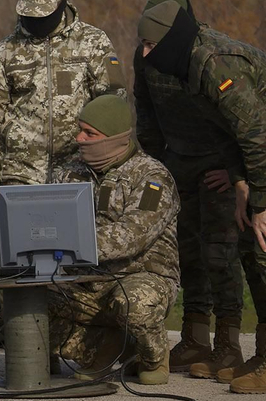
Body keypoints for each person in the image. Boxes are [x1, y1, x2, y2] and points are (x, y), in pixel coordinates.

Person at [138, 0, 266, 394]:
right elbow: (226, 129)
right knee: (248, 243)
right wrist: (240, 182)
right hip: (258, 150)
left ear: (171, 39)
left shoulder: (215, 64)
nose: (144, 54)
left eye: (150, 44)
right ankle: (265, 354)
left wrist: (261, 203)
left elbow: (257, 136)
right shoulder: (183, 64)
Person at [133, 0, 247, 377]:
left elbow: (241, 119)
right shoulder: (145, 58)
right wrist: (156, 166)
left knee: (220, 254)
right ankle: (195, 339)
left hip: (218, 167)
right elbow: (145, 112)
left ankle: (228, 345)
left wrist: (233, 171)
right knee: (187, 253)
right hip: (178, 163)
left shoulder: (208, 57)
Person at [48, 94, 180, 384]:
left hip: (139, 276)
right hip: (84, 279)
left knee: (135, 303)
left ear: (114, 137)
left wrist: (70, 240)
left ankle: (153, 355)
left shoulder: (152, 177)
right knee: (18, 299)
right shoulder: (69, 172)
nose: (79, 138)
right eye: (80, 130)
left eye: (90, 133)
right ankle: (99, 346)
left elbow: (132, 236)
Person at [0, 0, 125, 196]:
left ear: (61, 6)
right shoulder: (6, 51)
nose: (36, 21)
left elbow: (113, 109)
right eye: (30, 15)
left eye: (42, 15)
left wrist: (110, 172)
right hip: (19, 176)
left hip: (79, 174)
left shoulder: (93, 43)